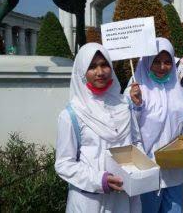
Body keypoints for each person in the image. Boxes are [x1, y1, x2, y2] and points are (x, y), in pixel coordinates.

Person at [129, 37, 183, 213]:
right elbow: (126, 131)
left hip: (174, 174)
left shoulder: (175, 90)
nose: (163, 67)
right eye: (157, 61)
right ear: (147, 61)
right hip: (146, 175)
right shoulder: (135, 91)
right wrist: (135, 106)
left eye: (168, 62)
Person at [55, 43, 142, 212]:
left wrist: (141, 167)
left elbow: (136, 142)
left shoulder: (124, 106)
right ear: (82, 71)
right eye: (92, 67)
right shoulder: (72, 114)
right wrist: (100, 180)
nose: (100, 72)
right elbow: (64, 164)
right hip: (89, 201)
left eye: (104, 65)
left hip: (123, 198)